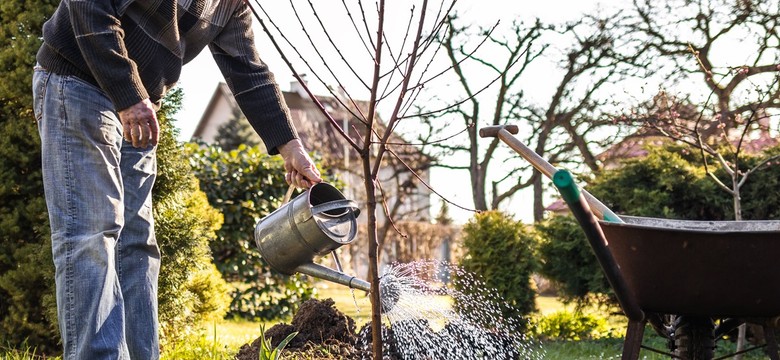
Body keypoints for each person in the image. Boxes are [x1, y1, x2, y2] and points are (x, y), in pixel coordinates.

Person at [32, 1, 322, 359]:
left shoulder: (231, 6)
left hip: (139, 106)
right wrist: (130, 96)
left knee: (137, 243)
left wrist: (290, 145)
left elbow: (249, 70)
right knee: (93, 234)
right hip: (78, 82)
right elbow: (90, 7)